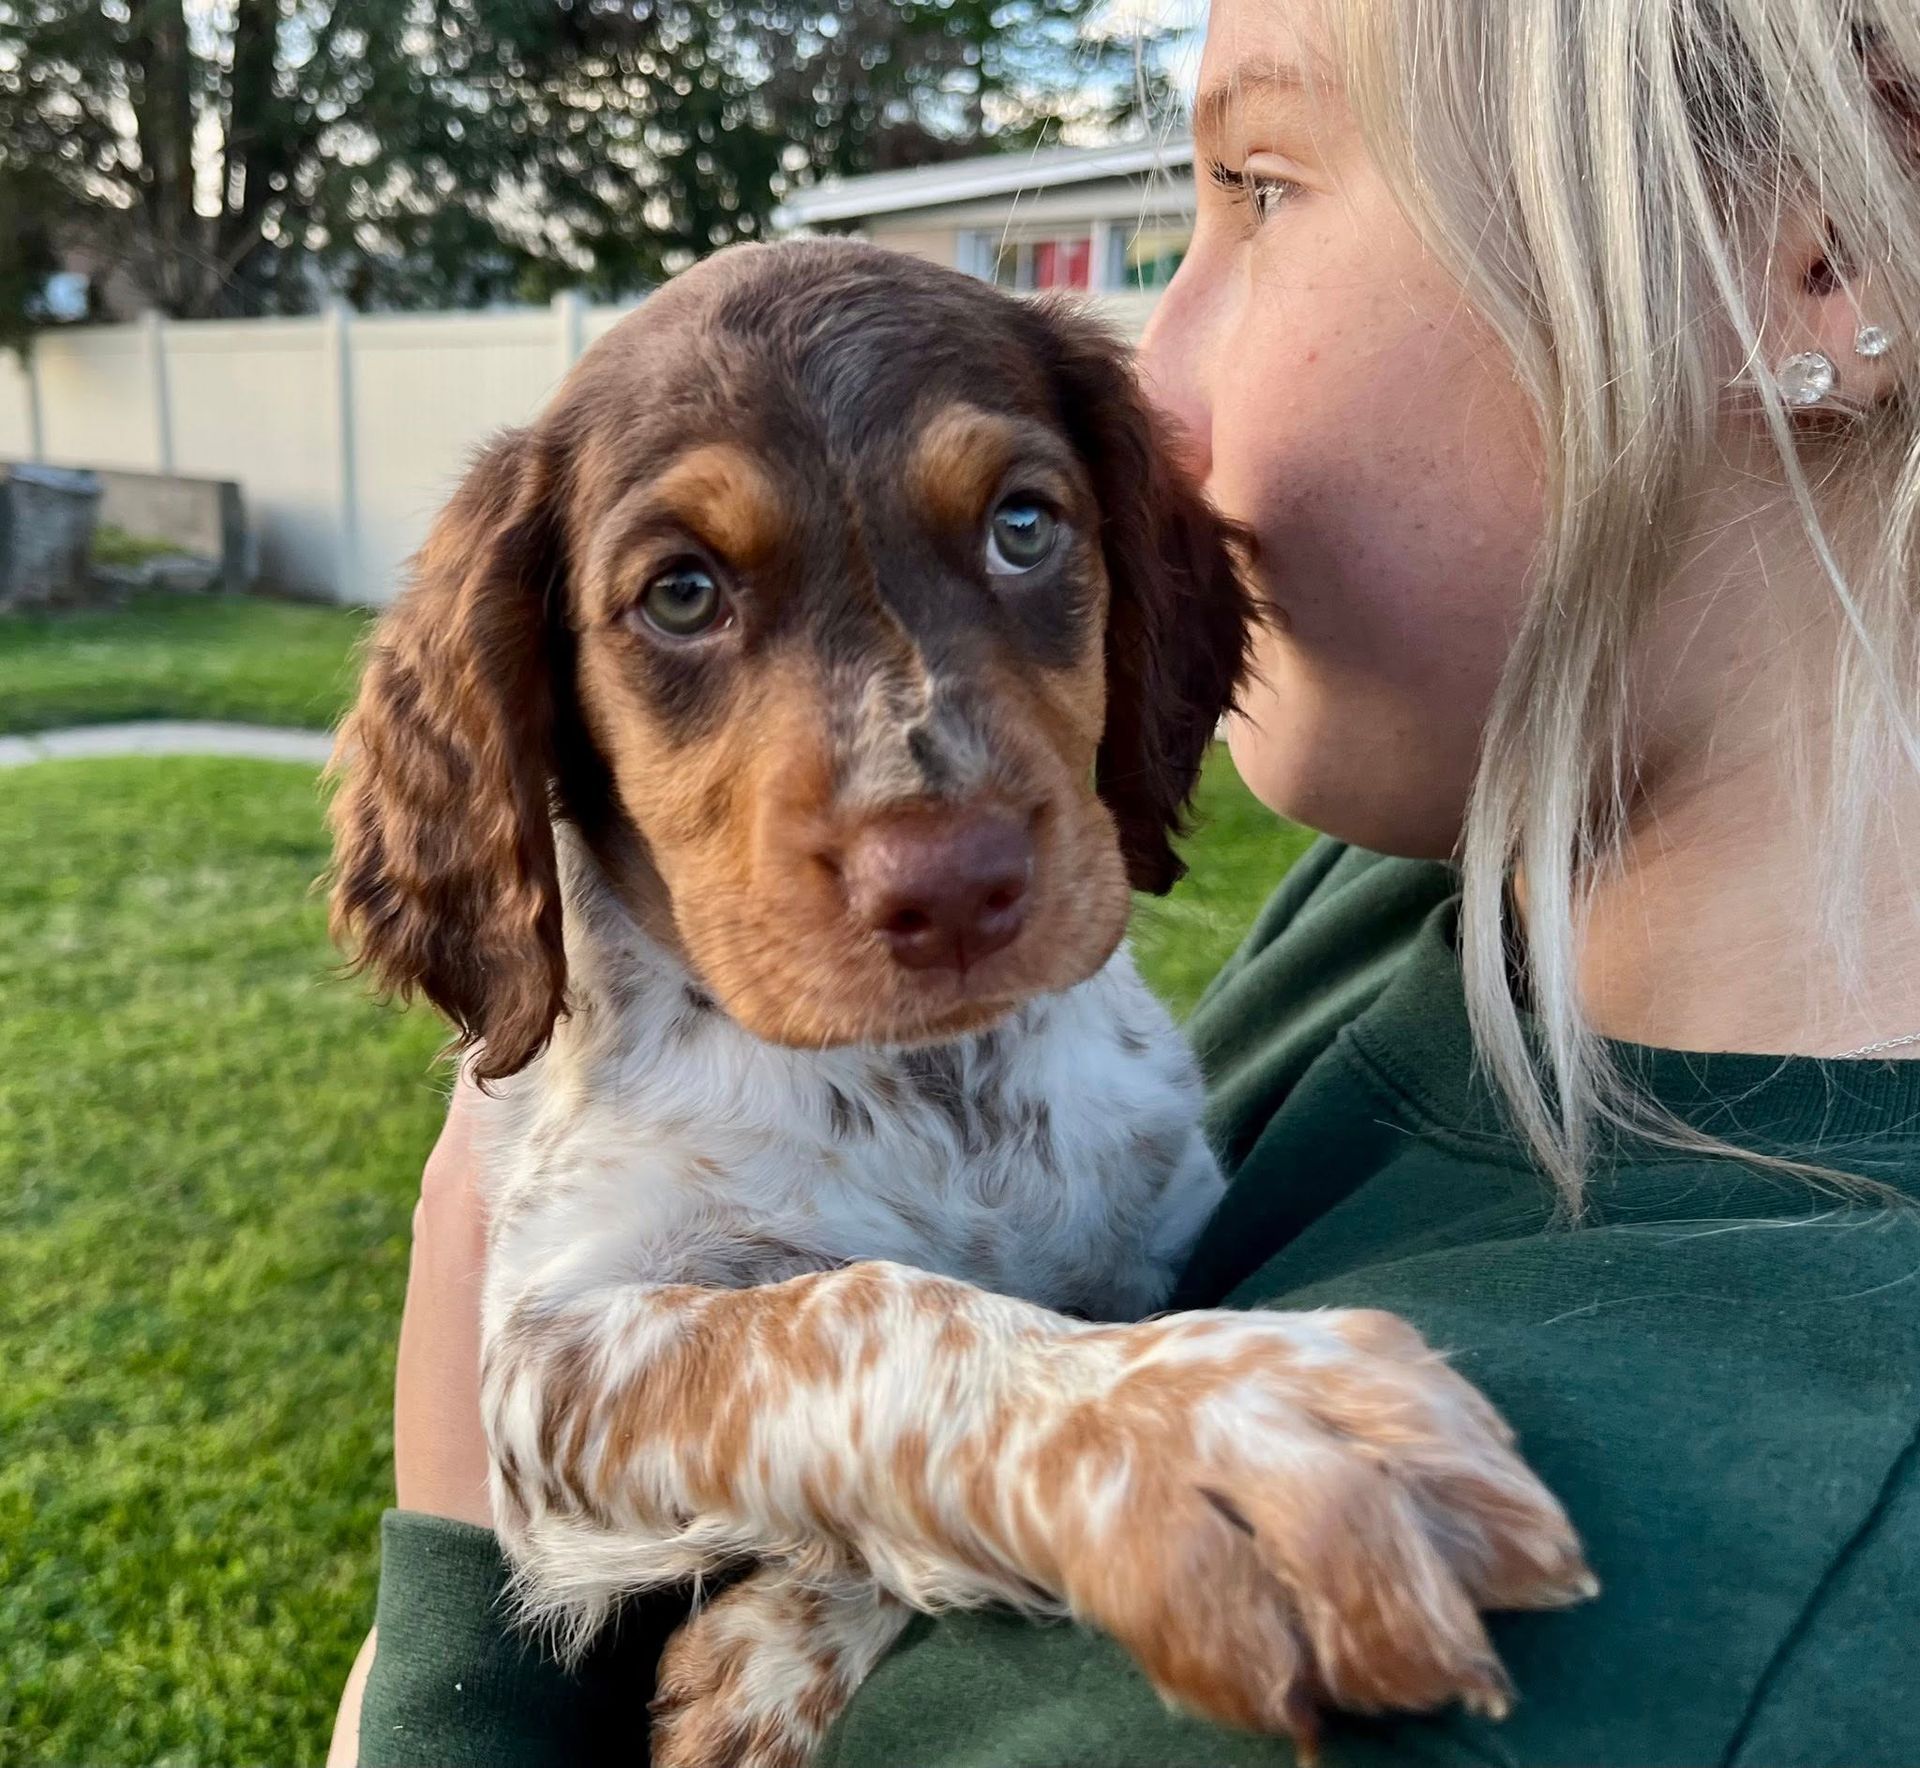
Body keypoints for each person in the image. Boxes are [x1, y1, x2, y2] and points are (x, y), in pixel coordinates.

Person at [330, 0, 1920, 1761]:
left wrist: (477, 1684)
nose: (1155, 390)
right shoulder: (1416, 899)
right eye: (684, 596)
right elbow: (555, 1401)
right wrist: (985, 1438)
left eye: (1259, 186)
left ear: (1814, 248)